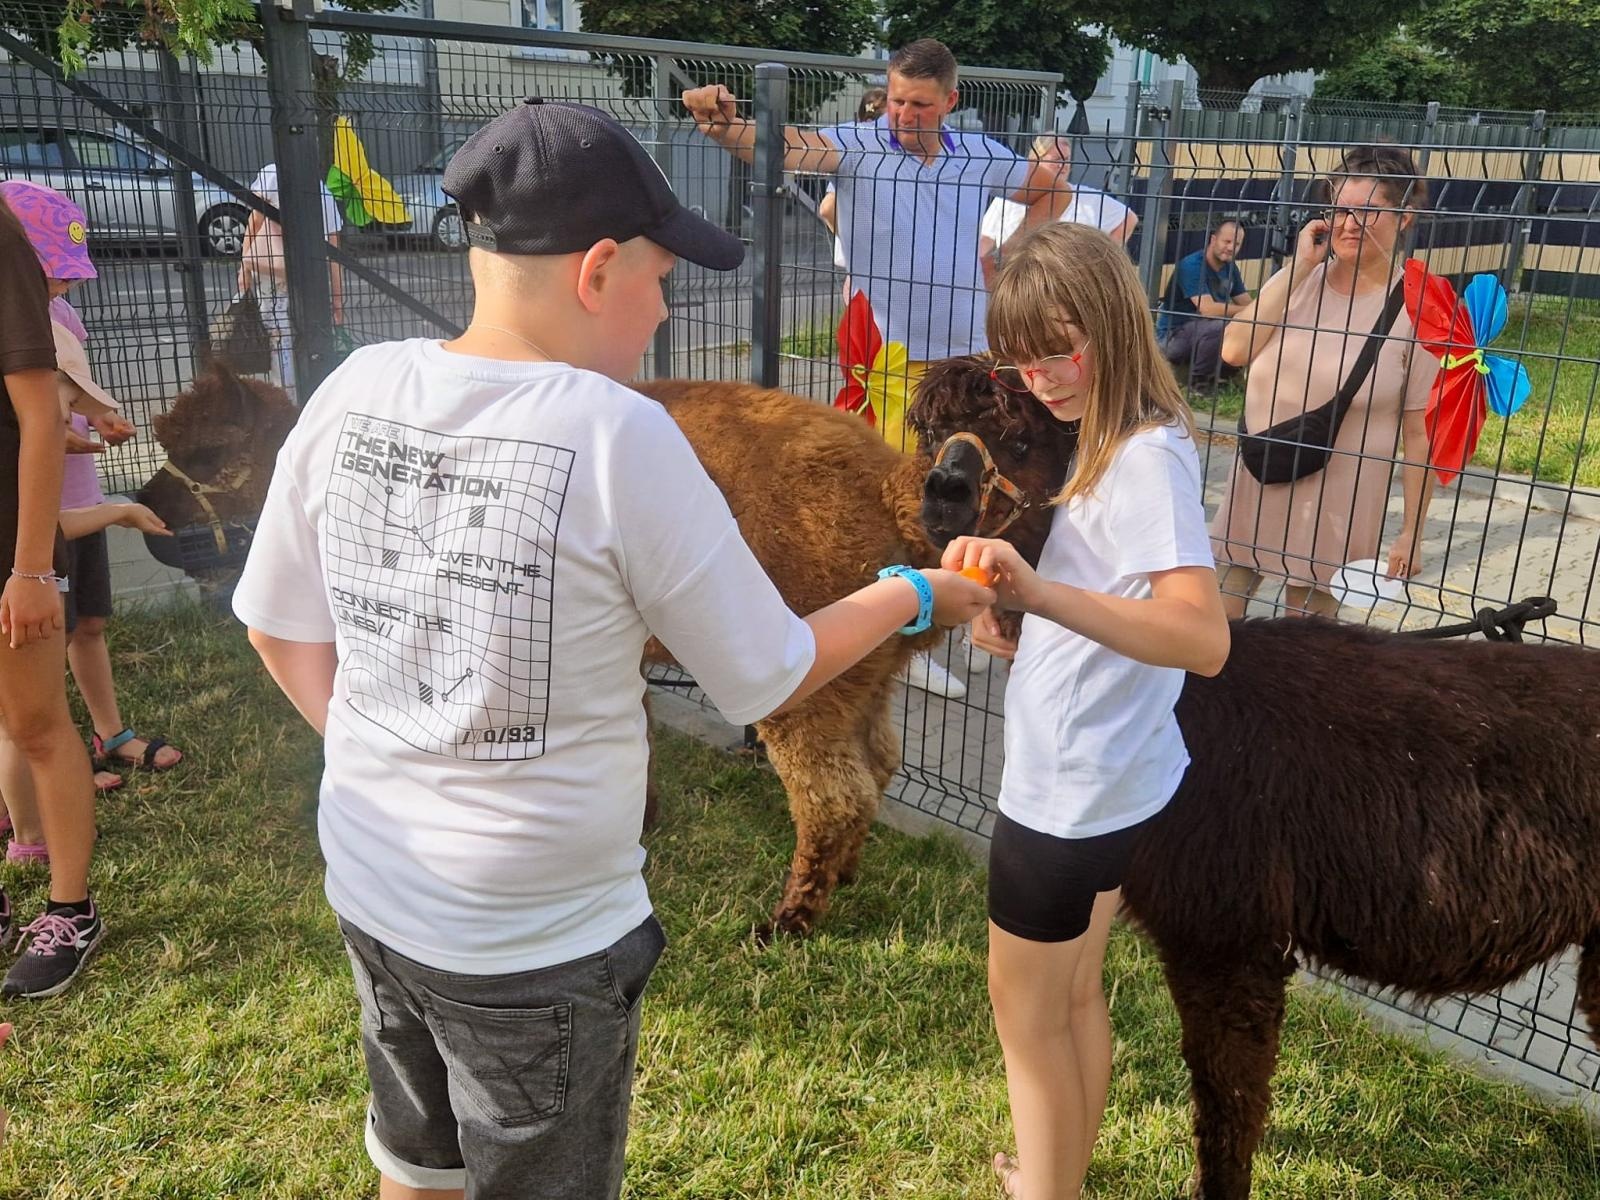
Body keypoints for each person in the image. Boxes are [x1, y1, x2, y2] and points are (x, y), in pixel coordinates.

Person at [231, 98, 994, 1200]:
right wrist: (910, 592)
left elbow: (274, 623)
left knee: (414, 1160)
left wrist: (389, 761)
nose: (664, 307)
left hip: (373, 881)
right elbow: (765, 671)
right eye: (658, 280)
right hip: (536, 937)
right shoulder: (615, 430)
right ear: (596, 272)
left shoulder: (358, 386)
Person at [943, 222, 1230, 1200]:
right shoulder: (1126, 430)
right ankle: (1051, 1173)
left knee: (1025, 1013)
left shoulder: (1141, 456)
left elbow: (1200, 636)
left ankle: (1047, 1188)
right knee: (1069, 998)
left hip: (1069, 792)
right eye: (1020, 361)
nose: (1041, 377)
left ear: (1111, 317)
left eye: (1060, 347)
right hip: (1112, 773)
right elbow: (1114, 591)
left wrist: (1035, 595)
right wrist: (1023, 617)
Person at [683, 38, 1060, 455]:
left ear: (951, 99)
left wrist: (1009, 262)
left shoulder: (980, 153)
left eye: (921, 105)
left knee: (961, 475)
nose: (904, 115)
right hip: (887, 358)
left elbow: (1052, 192)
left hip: (969, 351)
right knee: (891, 473)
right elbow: (783, 147)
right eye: (897, 101)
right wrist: (724, 127)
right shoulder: (855, 145)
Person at [1213, 144, 1439, 619]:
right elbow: (1233, 350)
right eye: (1338, 209)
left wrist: (1411, 532)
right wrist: (1300, 265)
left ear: (1404, 218)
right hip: (1261, 474)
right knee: (1210, 622)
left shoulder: (1418, 310)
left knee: (1306, 648)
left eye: (1367, 211)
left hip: (1340, 499)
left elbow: (1420, 436)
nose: (1349, 223)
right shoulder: (1298, 280)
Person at [0, 183, 104, 999]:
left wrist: (31, 569)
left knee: (37, 724)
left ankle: (71, 907)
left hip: (13, 551)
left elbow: (40, 420)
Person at [238, 161, 346, 398]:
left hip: (268, 270)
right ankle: (309, 397)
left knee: (278, 337)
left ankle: (286, 399)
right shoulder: (323, 194)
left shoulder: (274, 174)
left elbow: (254, 222)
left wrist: (244, 266)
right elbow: (334, 250)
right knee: (308, 335)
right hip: (309, 274)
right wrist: (338, 299)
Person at [978, 134, 1138, 287]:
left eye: (1066, 160)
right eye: (1057, 159)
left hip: (1069, 283)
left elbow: (1129, 218)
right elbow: (986, 239)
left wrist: (1103, 261)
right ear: (1036, 160)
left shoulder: (1088, 198)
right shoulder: (1008, 200)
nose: (1063, 166)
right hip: (1020, 280)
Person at [1156, 216, 1251, 393]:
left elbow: (1246, 301)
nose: (1231, 248)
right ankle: (1198, 385)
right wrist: (1250, 311)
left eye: (1236, 244)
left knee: (1247, 325)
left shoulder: (1230, 268)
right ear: (1213, 239)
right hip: (1173, 337)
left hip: (1203, 335)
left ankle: (1226, 377)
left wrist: (1257, 312)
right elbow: (1207, 309)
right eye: (1227, 241)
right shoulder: (1192, 265)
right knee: (1220, 326)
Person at [818, 86, 888, 299]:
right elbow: (827, 207)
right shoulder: (867, 156)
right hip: (877, 269)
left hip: (862, 270)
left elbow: (829, 209)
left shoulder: (854, 151)